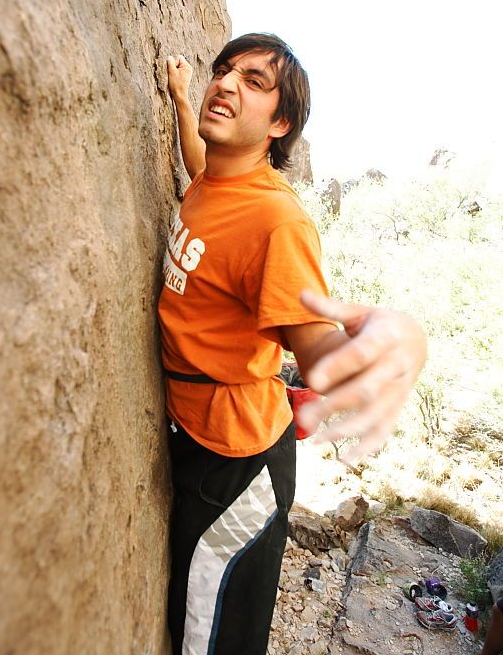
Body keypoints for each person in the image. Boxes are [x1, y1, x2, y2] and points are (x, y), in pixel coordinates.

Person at [158, 33, 426, 655]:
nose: (224, 83)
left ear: (280, 124)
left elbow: (316, 346)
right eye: (223, 71)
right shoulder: (216, 183)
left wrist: (384, 353)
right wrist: (177, 97)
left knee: (210, 636)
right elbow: (198, 163)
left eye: (254, 82)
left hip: (238, 465)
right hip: (203, 438)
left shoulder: (277, 222)